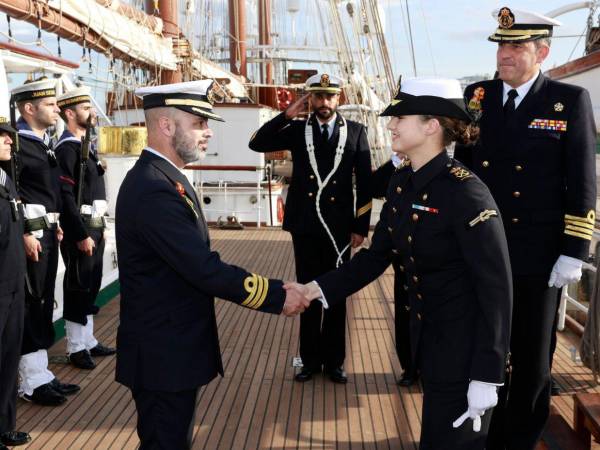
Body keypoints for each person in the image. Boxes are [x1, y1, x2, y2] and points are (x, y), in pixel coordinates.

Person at [289, 77, 513, 449]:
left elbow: (496, 289)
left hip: (465, 351)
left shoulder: (466, 193)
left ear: (431, 126)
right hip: (430, 342)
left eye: (400, 117)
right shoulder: (402, 182)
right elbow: (376, 258)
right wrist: (314, 289)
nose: (390, 125)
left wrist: (487, 375)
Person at [115, 79, 311, 450]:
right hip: (163, 356)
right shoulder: (153, 188)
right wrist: (275, 294)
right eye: (198, 123)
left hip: (171, 351)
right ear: (166, 125)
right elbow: (202, 268)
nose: (207, 133)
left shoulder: (165, 178)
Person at [453, 8, 597, 449]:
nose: (505, 54)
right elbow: (461, 169)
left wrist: (576, 250)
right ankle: (482, 431)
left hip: (539, 255)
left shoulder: (568, 101)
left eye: (516, 46)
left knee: (533, 360)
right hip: (482, 249)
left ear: (542, 52)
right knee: (482, 347)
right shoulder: (477, 96)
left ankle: (520, 440)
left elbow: (583, 181)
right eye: (501, 45)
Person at [249, 73, 373, 383]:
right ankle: (308, 360)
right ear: (310, 100)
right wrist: (285, 115)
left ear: (338, 98)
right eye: (318, 97)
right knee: (305, 291)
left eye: (329, 97)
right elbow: (257, 143)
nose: (324, 103)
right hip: (305, 224)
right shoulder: (295, 129)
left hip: (340, 228)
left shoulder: (356, 133)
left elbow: (366, 185)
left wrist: (361, 226)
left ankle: (334, 362)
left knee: (336, 292)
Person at [10, 79, 80, 406]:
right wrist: (24, 231)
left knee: (43, 301)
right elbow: (11, 192)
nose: (56, 109)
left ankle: (42, 372)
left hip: (49, 233)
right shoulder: (18, 144)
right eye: (50, 105)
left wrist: (58, 224)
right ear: (29, 108)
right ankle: (29, 382)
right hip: (32, 237)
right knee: (31, 301)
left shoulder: (42, 143)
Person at [55, 87, 115, 371]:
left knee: (91, 284)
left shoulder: (85, 148)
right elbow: (66, 198)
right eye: (85, 108)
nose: (92, 112)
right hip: (80, 231)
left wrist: (97, 229)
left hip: (94, 227)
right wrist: (79, 235)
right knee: (78, 285)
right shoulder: (66, 149)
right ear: (69, 113)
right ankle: (75, 347)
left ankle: (88, 339)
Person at [371, 158, 418, 386]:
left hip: (431, 259)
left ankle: (426, 367)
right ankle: (409, 367)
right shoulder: (397, 171)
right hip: (402, 255)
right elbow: (373, 186)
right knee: (404, 310)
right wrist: (394, 161)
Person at [0, 117, 31, 449]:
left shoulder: (6, 179)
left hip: (12, 282)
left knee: (9, 357)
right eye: (3, 137)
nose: (10, 141)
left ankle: (5, 425)